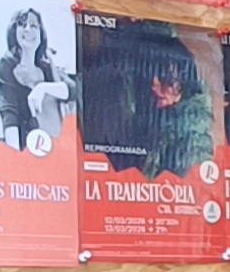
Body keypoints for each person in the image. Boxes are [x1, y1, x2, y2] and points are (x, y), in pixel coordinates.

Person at [84, 23, 213, 176]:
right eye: (149, 75)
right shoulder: (146, 119)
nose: (154, 84)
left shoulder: (191, 139)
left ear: (182, 84)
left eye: (166, 79)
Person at [0, 5, 72, 146]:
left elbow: (71, 90)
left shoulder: (47, 65)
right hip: (27, 148)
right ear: (14, 31)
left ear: (40, 33)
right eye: (22, 24)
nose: (28, 29)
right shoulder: (7, 65)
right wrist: (15, 155)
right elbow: (9, 114)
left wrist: (42, 88)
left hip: (59, 146)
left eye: (33, 25)